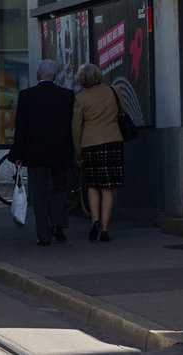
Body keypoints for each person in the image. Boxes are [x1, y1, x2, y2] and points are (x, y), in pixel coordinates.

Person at [9, 59, 75, 246]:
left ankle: (43, 235)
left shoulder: (27, 96)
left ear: (38, 75)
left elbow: (21, 127)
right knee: (60, 189)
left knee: (39, 194)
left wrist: (18, 154)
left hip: (35, 154)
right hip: (61, 152)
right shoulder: (67, 95)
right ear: (55, 75)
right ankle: (59, 227)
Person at [73, 63, 124, 242]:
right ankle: (105, 228)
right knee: (107, 187)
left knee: (93, 186)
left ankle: (94, 220)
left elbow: (76, 129)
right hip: (112, 142)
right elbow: (122, 112)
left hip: (90, 144)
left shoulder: (80, 99)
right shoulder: (114, 91)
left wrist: (79, 153)